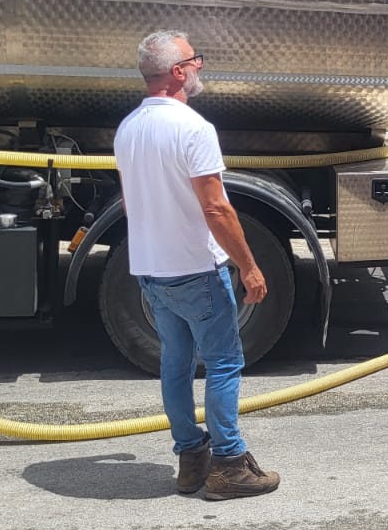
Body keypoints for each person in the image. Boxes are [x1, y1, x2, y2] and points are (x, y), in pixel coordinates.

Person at [113, 29, 280, 501]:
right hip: (194, 268)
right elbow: (217, 209)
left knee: (176, 362)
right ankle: (229, 465)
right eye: (195, 59)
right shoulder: (193, 128)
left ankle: (191, 461)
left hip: (150, 269)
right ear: (179, 72)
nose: (200, 67)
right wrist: (248, 265)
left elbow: (130, 205)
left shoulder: (128, 128)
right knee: (225, 363)